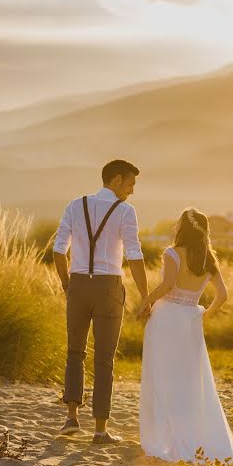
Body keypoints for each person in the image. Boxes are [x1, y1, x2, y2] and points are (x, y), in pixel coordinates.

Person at [52, 159, 150, 444]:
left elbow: (59, 250)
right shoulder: (125, 212)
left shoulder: (75, 205)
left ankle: (71, 418)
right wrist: (145, 296)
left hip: (79, 284)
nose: (131, 191)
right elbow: (134, 255)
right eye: (130, 183)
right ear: (117, 180)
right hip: (109, 286)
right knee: (104, 360)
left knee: (75, 351)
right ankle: (100, 430)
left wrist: (67, 283)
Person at [138, 208, 233, 462]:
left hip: (166, 318)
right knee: (190, 380)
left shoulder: (172, 253)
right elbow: (222, 295)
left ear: (183, 228)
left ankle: (166, 439)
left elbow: (168, 284)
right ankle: (194, 436)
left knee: (161, 376)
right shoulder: (209, 261)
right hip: (191, 319)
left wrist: (146, 301)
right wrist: (205, 314)